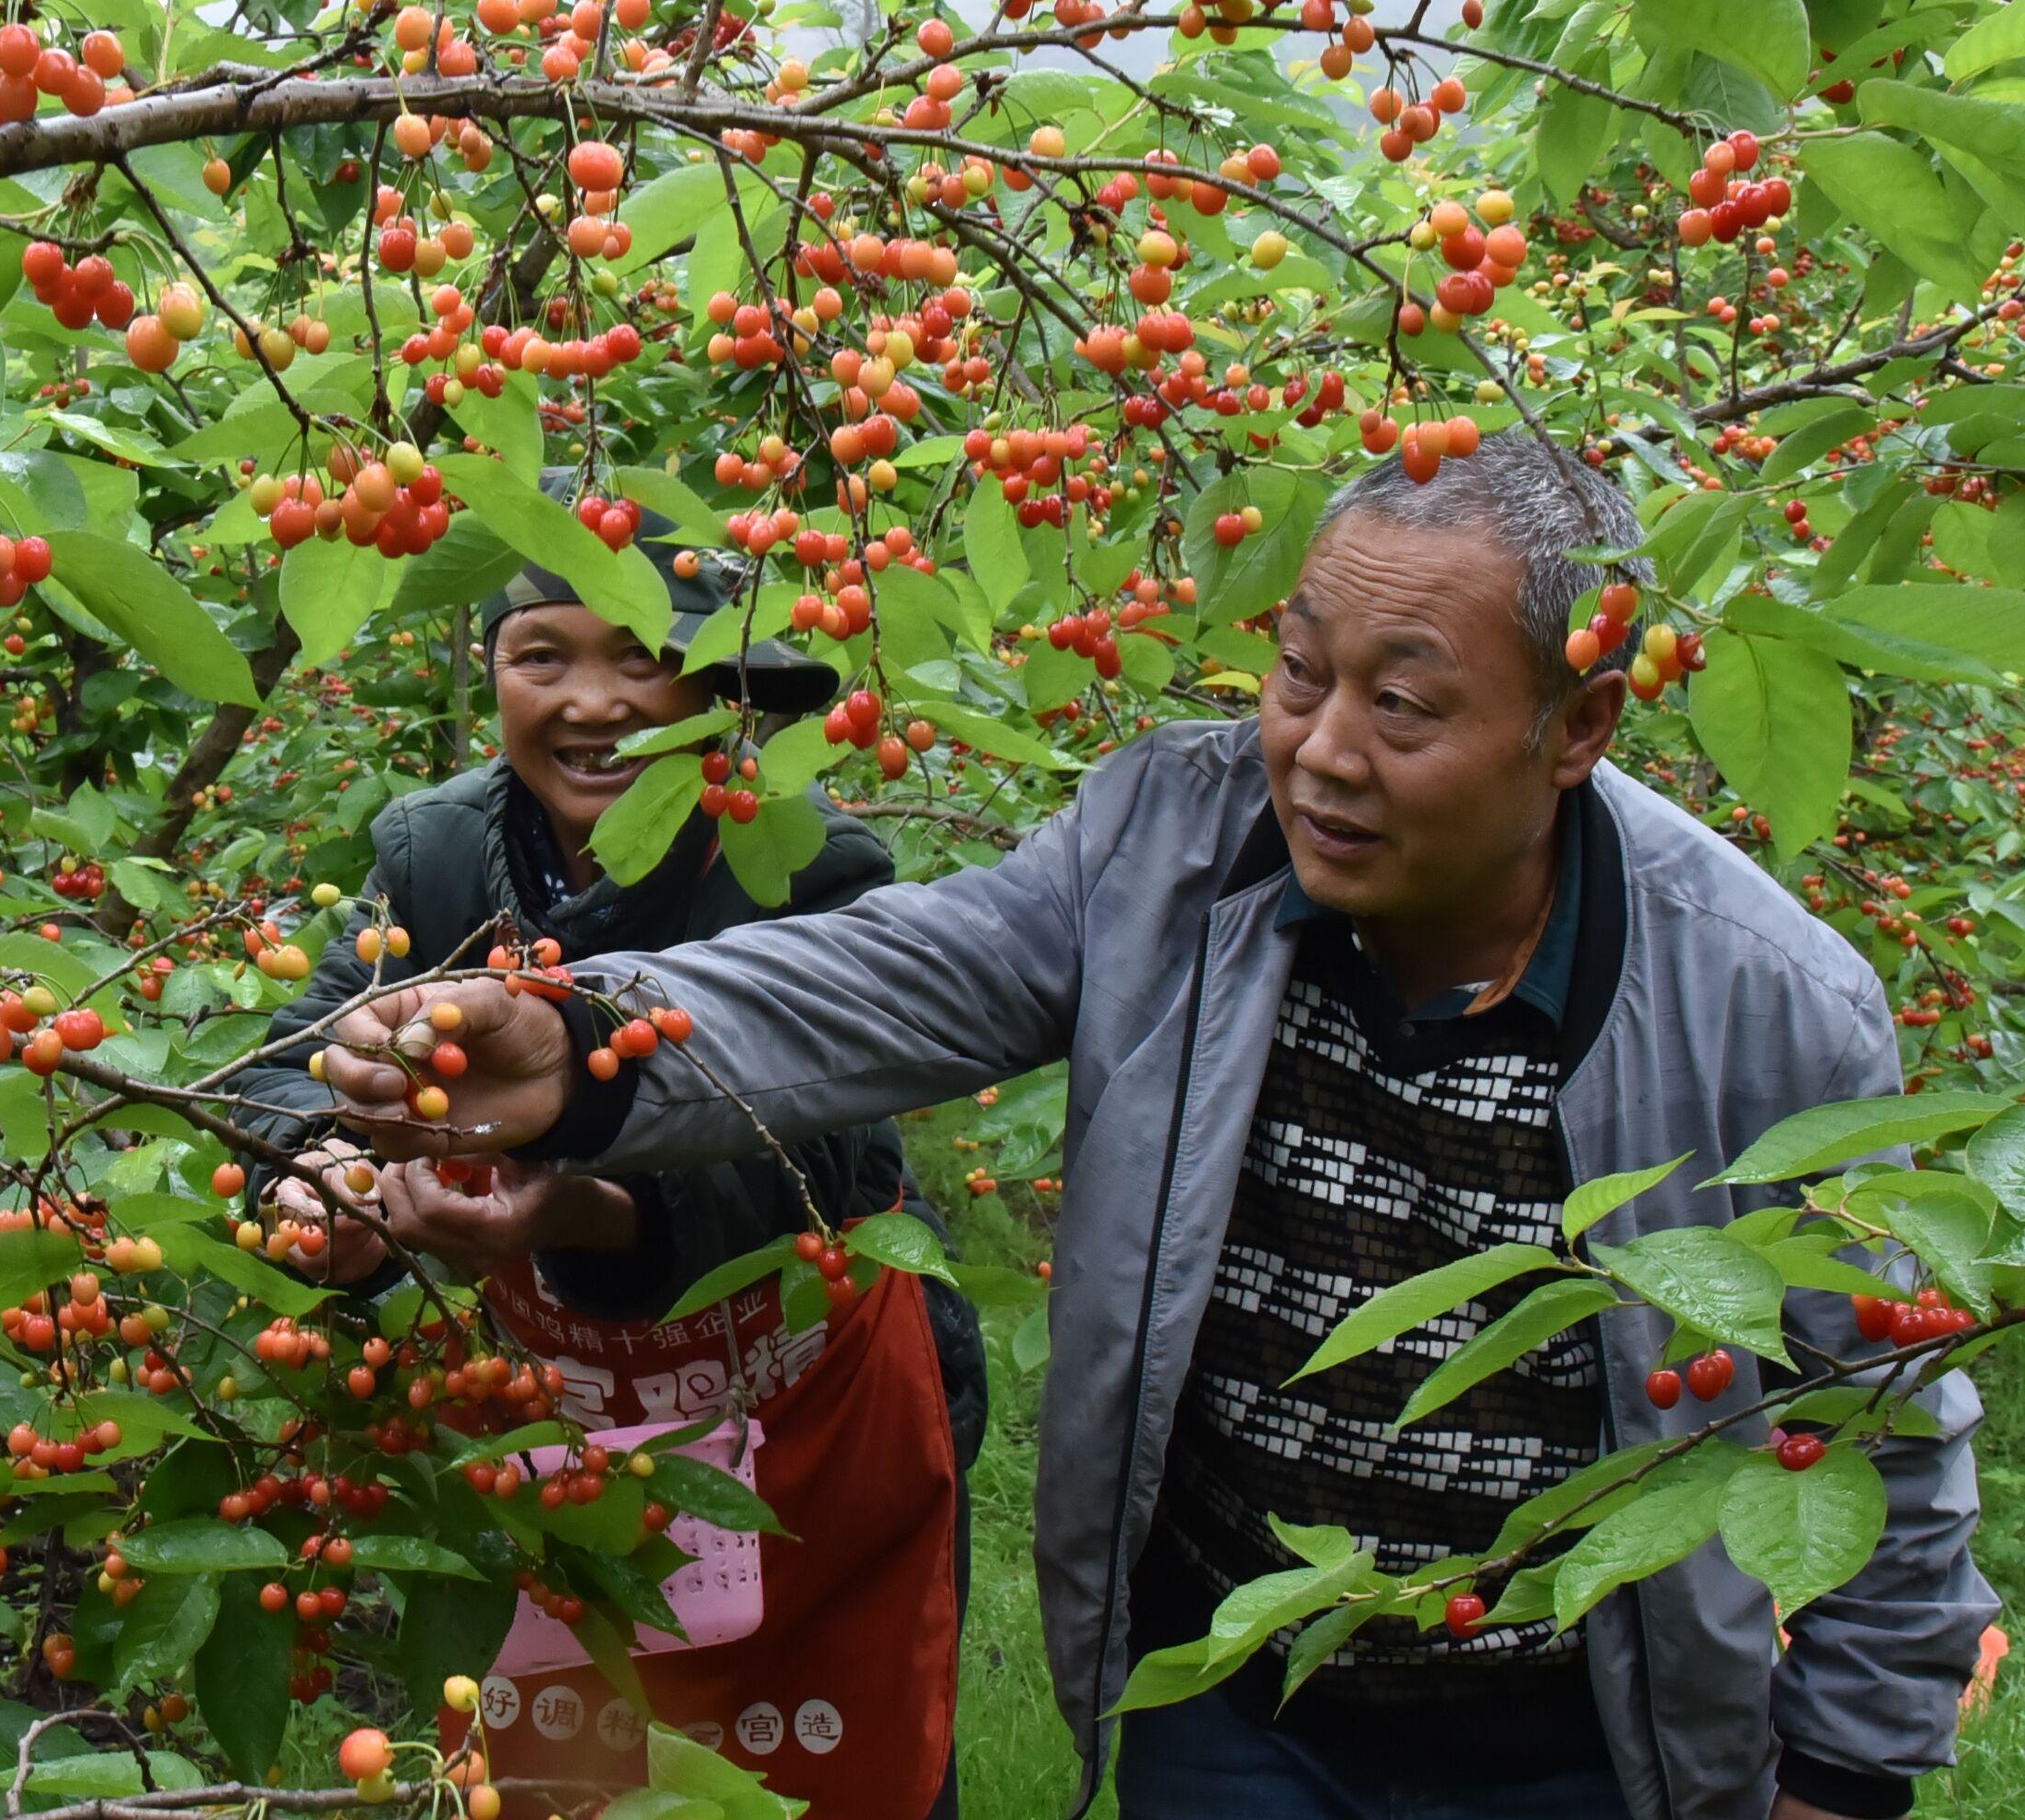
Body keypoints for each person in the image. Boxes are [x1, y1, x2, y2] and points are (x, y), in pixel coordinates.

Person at [315, 432, 1996, 1820]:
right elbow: (902, 972)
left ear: (1578, 727)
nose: (1319, 754)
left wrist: (1842, 1780)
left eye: (1403, 708)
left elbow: (1884, 1423)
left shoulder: (1771, 1005)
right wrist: (586, 1042)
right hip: (1231, 1688)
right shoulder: (1173, 845)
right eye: (1298, 676)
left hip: (1580, 1733)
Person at [232, 499, 988, 1820]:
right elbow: (294, 1052)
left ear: (714, 686)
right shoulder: (443, 857)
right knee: (574, 1751)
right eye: (542, 658)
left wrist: (570, 1211)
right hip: (574, 1407)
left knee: (839, 1756)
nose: (594, 703)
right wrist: (308, 1168)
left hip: (807, 1398)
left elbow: (828, 1174)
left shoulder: (794, 863)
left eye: (639, 659)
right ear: (492, 678)